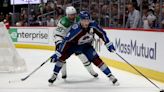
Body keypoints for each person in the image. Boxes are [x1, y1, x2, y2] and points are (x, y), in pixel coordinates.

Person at [48, 11, 119, 85]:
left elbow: (102, 33)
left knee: (96, 59)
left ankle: (110, 76)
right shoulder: (75, 29)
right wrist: (59, 52)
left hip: (86, 46)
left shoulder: (93, 25)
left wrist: (108, 43)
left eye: (87, 20)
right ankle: (54, 75)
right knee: (61, 58)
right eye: (84, 20)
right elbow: (66, 41)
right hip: (73, 46)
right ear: (80, 20)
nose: (86, 23)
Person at [52, 6, 98, 79]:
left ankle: (92, 71)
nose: (73, 16)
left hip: (74, 42)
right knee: (61, 58)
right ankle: (63, 73)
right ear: (67, 14)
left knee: (83, 56)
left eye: (74, 14)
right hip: (64, 41)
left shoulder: (79, 19)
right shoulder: (63, 22)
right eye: (71, 15)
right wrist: (59, 44)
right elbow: (58, 34)